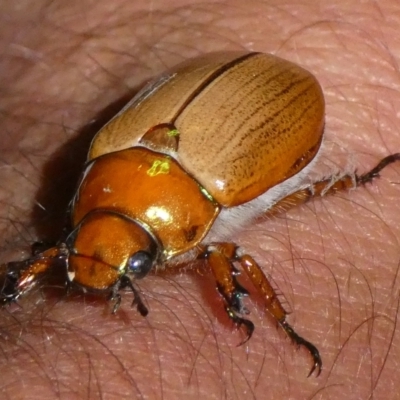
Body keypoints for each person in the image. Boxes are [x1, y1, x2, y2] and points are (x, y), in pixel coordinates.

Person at [0, 0, 399, 398]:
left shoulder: (212, 195)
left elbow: (226, 253)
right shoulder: (103, 160)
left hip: (279, 102)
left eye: (137, 265)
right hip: (205, 92)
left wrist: (255, 305)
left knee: (299, 197)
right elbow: (59, 249)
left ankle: (286, 305)